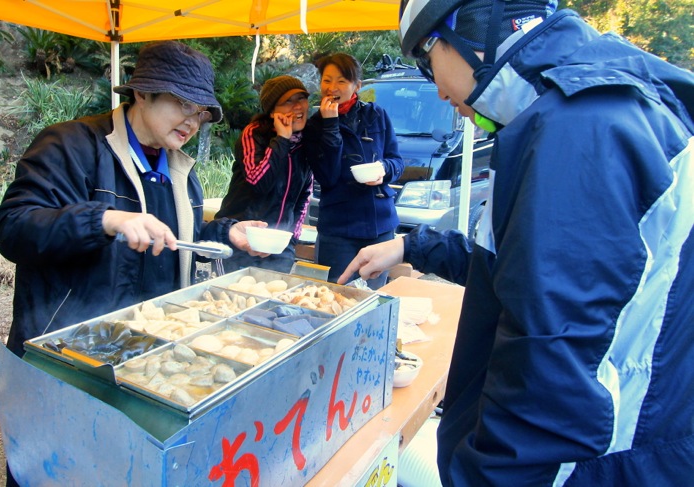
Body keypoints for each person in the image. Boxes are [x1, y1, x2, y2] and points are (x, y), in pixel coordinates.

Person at [339, 0, 694, 485]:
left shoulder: (580, 124)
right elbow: (522, 266)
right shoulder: (577, 106)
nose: (436, 87)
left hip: (589, 464)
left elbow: (549, 362)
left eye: (426, 56)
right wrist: (411, 248)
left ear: (469, 31)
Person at [0, 41, 266, 485]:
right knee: (55, 471)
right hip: (68, 360)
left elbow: (175, 241)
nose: (192, 122)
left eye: (201, 113)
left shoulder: (179, 168)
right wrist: (104, 219)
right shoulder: (71, 145)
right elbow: (13, 226)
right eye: (182, 104)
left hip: (145, 363)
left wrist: (224, 233)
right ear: (141, 93)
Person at [303, 52, 404, 289]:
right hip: (339, 229)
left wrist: (383, 169)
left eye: (341, 81)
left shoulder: (376, 115)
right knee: (337, 295)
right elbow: (326, 177)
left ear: (356, 85)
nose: (332, 87)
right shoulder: (314, 126)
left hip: (380, 224)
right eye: (326, 80)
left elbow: (397, 162)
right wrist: (330, 125)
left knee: (373, 297)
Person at [214, 75, 313, 274]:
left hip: (279, 245)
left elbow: (305, 194)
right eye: (288, 101)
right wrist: (282, 139)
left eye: (301, 98)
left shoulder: (307, 143)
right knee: (235, 300)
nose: (297, 107)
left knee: (275, 301)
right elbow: (257, 181)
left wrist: (292, 237)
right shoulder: (254, 133)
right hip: (242, 238)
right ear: (272, 111)